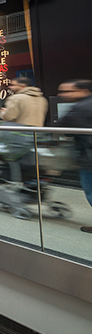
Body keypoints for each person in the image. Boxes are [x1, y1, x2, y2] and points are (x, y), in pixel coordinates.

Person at [56, 79, 92, 233]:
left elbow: (63, 129)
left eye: (69, 91)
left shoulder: (80, 107)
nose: (63, 95)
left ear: (83, 91)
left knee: (90, 190)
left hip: (89, 157)